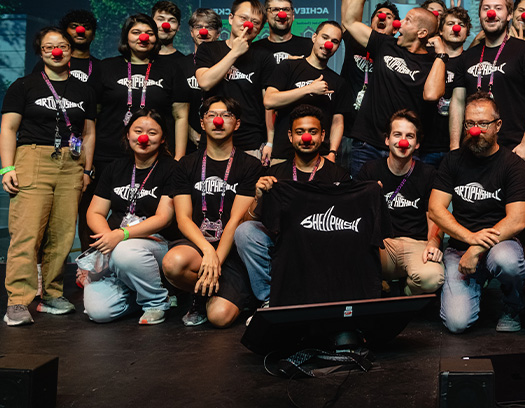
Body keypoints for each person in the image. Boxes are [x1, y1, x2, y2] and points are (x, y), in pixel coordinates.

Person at [2, 27, 96, 326]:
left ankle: (52, 294)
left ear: (70, 50)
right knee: (28, 233)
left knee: (63, 233)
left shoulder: (83, 89)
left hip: (71, 162)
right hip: (32, 158)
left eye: (62, 46)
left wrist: (86, 169)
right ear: (40, 52)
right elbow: (8, 128)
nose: (56, 51)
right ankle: (18, 300)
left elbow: (89, 133)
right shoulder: (24, 85)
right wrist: (7, 167)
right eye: (49, 47)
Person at [340, 0, 444, 175]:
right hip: (367, 143)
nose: (399, 23)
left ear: (421, 32)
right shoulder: (386, 44)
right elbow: (349, 21)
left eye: (406, 20)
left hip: (403, 148)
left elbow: (431, 94)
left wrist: (441, 55)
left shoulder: (432, 62)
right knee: (362, 204)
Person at [428, 92, 525, 333]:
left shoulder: (512, 164)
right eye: (470, 123)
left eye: (483, 124)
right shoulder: (453, 161)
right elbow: (435, 209)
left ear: (498, 125)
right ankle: (473, 288)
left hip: (500, 244)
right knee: (456, 323)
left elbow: (516, 221)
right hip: (459, 247)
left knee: (507, 261)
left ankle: (512, 305)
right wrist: (469, 239)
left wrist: (477, 247)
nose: (476, 130)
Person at [89, 15, 190, 255]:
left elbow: (181, 116)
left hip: (152, 158)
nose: (143, 37)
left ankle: (150, 265)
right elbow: (92, 117)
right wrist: (88, 162)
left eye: (149, 33)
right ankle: (99, 259)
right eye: (136, 32)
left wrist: (178, 158)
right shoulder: (106, 67)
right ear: (126, 36)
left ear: (156, 38)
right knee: (102, 211)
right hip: (109, 155)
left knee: (151, 209)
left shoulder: (170, 68)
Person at [235, 104, 351, 310]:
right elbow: (249, 221)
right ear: (290, 136)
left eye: (312, 132)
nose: (306, 138)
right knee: (244, 232)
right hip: (284, 241)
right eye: (300, 132)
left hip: (322, 243)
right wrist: (258, 197)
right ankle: (271, 300)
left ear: (323, 135)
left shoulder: (337, 174)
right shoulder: (275, 172)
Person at [162, 96, 264, 327]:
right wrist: (208, 251)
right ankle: (201, 295)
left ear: (237, 123)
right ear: (202, 122)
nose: (219, 121)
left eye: (226, 115)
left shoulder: (250, 166)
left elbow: (236, 221)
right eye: (212, 115)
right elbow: (183, 219)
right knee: (173, 263)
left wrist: (216, 260)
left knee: (219, 317)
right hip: (199, 247)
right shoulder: (186, 165)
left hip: (232, 252)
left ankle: (232, 293)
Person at [83, 109, 179, 325]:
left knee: (125, 251)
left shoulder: (171, 169)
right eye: (138, 131)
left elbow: (164, 217)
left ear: (163, 139)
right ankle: (143, 294)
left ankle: (156, 301)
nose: (144, 137)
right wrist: (108, 238)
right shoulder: (115, 168)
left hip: (155, 244)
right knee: (98, 312)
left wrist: (120, 235)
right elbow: (95, 212)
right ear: (128, 134)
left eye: (152, 133)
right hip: (118, 245)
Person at [449, 0, 525, 165]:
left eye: (497, 8)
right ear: (480, 15)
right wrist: (454, 146)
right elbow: (457, 102)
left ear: (509, 15)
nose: (491, 13)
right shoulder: (467, 57)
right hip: (473, 147)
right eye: (486, 8)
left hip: (514, 148)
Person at [357, 110, 444, 296]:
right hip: (382, 245)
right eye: (397, 135)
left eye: (409, 136)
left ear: (417, 143)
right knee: (350, 258)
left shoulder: (428, 173)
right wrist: (371, 195)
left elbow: (435, 216)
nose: (403, 141)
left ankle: (406, 292)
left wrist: (433, 244)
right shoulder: (370, 170)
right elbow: (357, 216)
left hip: (416, 243)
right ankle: (379, 285)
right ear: (387, 140)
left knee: (432, 279)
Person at [195, 0, 276, 164]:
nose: (248, 25)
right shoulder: (208, 49)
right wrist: (235, 53)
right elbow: (205, 82)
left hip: (250, 139)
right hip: (212, 137)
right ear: (231, 18)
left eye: (255, 22)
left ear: (260, 28)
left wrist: (270, 141)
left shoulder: (264, 57)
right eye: (243, 18)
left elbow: (268, 103)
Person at [264, 20, 350, 163]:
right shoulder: (289, 66)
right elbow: (269, 101)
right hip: (284, 155)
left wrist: (332, 152)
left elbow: (337, 122)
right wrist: (309, 89)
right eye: (325, 37)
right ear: (314, 37)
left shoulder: (338, 82)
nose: (328, 44)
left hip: (319, 157)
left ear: (337, 47)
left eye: (334, 41)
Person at [418, 7, 471, 167]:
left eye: (461, 24)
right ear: (440, 30)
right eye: (450, 23)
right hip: (425, 146)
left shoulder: (471, 62)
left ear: (467, 32)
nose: (456, 28)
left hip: (462, 148)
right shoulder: (426, 58)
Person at [180, 9, 223, 153]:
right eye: (199, 27)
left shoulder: (226, 64)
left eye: (210, 27)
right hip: (187, 142)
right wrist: (191, 133)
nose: (203, 32)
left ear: (218, 34)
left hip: (221, 138)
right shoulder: (180, 64)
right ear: (191, 32)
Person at [253, 0, 313, 64]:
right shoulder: (254, 49)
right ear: (266, 16)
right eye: (275, 10)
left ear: (293, 16)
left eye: (286, 10)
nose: (281, 14)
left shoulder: (310, 45)